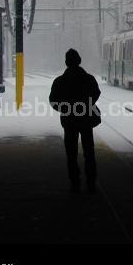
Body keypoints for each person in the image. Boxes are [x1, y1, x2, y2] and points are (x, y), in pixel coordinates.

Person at [49, 49, 101, 193]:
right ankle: (91, 180)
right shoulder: (89, 79)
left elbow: (53, 100)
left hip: (69, 121)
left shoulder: (60, 81)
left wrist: (65, 109)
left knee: (71, 153)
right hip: (86, 120)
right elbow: (96, 93)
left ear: (66, 63)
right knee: (89, 151)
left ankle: (74, 180)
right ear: (79, 61)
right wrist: (86, 105)